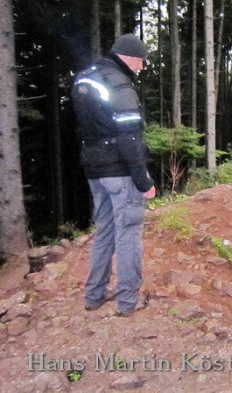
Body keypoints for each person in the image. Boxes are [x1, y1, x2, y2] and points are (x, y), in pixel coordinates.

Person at [71, 34, 156, 317]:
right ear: (130, 57)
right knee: (128, 233)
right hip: (120, 172)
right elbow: (129, 138)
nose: (142, 67)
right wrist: (144, 181)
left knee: (104, 230)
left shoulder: (86, 78)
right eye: (142, 61)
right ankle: (127, 301)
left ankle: (94, 295)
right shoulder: (119, 85)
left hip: (94, 170)